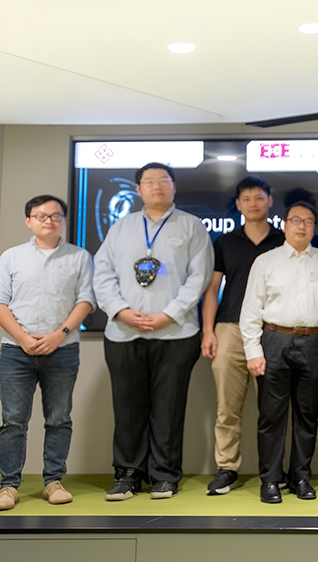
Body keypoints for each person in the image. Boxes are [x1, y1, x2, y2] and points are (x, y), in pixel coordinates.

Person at [93, 162, 213, 501]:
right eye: (149, 181)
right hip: (124, 332)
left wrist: (167, 315)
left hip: (175, 334)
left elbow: (199, 278)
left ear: (174, 187)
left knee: (169, 407)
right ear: (139, 189)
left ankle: (164, 475)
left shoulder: (192, 226)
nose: (157, 186)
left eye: (164, 180)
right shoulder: (121, 228)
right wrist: (122, 311)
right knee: (127, 407)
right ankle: (128, 474)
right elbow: (102, 274)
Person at [0, 195, 95, 511]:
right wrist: (24, 338)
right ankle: (8, 485)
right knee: (13, 420)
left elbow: (85, 301)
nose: (48, 221)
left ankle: (53, 482)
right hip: (15, 351)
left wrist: (59, 335)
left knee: (58, 419)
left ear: (64, 221)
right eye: (41, 216)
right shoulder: (11, 257)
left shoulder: (80, 257)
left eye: (56, 216)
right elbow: (1, 303)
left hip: (62, 351)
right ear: (29, 220)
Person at [240, 201, 318, 504]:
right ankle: (270, 480)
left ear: (314, 226)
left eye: (308, 221)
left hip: (314, 343)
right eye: (295, 220)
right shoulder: (266, 262)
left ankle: (301, 477)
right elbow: (251, 310)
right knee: (271, 416)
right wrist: (253, 351)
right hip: (274, 341)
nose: (302, 226)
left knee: (307, 416)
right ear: (284, 225)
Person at [200, 175, 285, 496]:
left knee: (273, 408)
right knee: (227, 406)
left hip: (272, 330)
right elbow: (211, 290)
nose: (253, 203)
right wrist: (208, 331)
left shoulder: (283, 240)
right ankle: (226, 468)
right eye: (246, 199)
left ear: (269, 201)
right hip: (230, 329)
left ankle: (273, 471)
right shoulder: (224, 242)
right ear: (238, 205)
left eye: (258, 198)